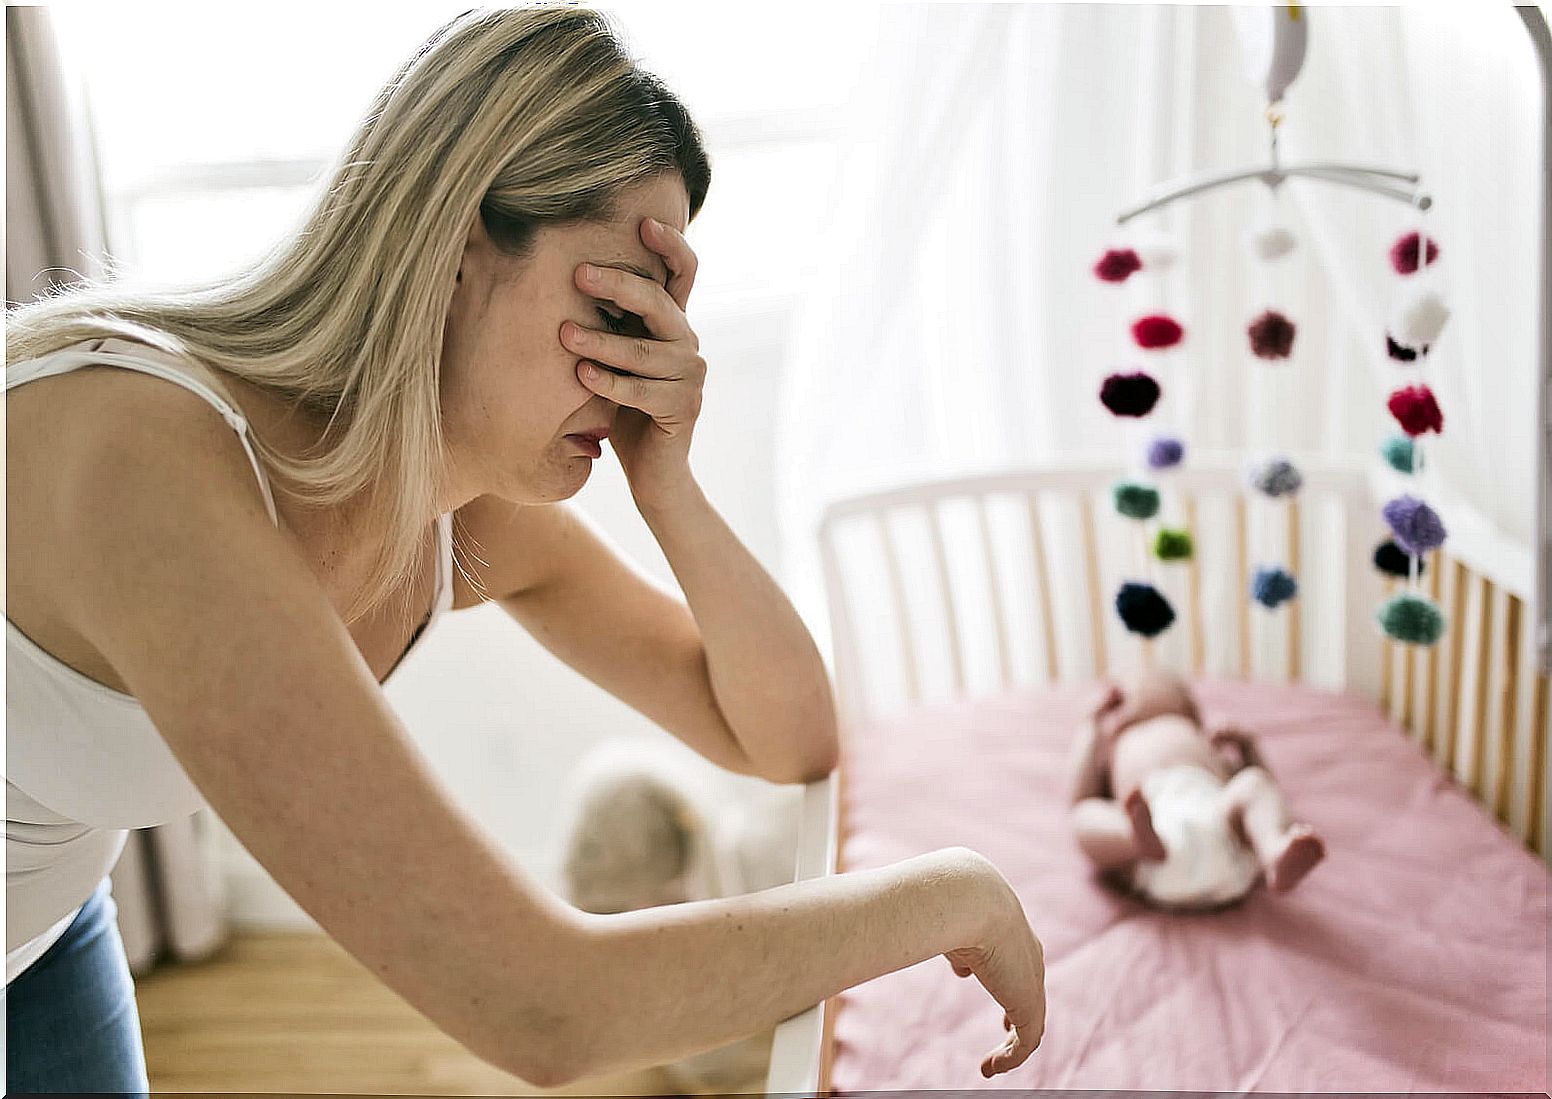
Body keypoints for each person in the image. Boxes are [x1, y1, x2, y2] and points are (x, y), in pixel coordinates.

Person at [4, 7, 1045, 1091]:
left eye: (656, 319)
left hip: (44, 930)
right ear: (456, 244)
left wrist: (666, 481)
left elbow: (782, 736)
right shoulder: (146, 460)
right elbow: (543, 1006)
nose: (637, 361)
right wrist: (949, 894)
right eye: (615, 301)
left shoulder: (452, 514)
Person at [1068, 666, 1326, 911]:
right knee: (1084, 816)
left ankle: (1272, 849)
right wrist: (1090, 726)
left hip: (1224, 828)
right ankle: (1133, 838)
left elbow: (1268, 788)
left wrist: (1248, 749)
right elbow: (1080, 795)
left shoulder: (1199, 735)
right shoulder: (1111, 746)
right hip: (1151, 850)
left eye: (1131, 683)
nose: (1114, 694)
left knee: (1254, 783)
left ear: (1184, 703)